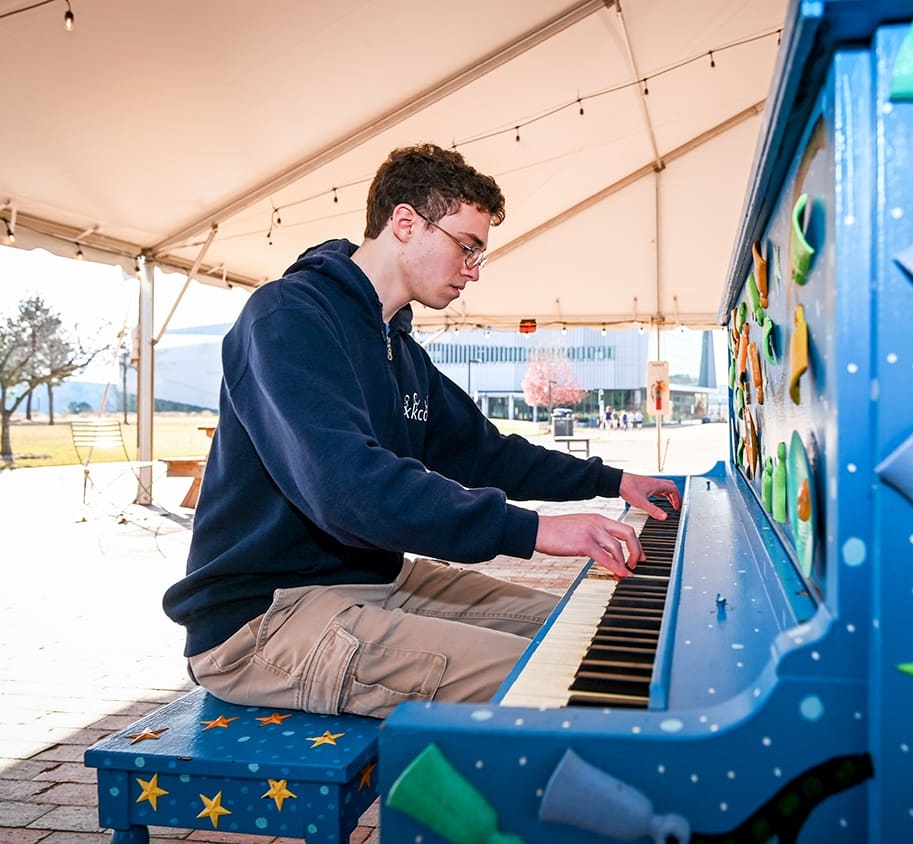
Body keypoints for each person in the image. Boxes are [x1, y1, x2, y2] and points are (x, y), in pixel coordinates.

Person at [163, 143, 681, 719]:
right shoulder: (287, 316)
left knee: (577, 634)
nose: (473, 271)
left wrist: (614, 480)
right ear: (405, 222)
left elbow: (485, 453)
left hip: (371, 578)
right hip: (262, 619)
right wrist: (534, 530)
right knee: (561, 682)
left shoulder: (399, 349)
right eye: (467, 247)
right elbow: (350, 487)